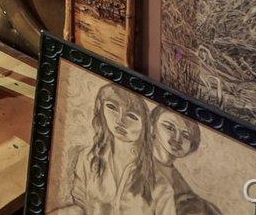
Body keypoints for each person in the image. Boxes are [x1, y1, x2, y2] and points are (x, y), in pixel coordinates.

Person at [54, 82, 151, 214]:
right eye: (112, 107)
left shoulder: (155, 176)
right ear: (101, 110)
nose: (120, 120)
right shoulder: (87, 158)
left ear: (144, 126)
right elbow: (80, 207)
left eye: (132, 116)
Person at [134, 106, 221, 215]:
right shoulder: (136, 163)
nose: (177, 139)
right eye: (169, 128)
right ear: (152, 127)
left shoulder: (177, 178)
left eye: (186, 135)